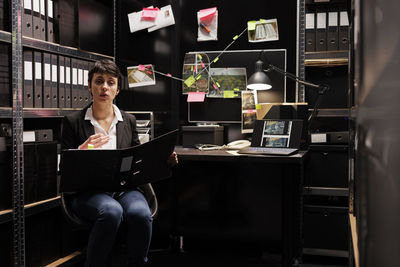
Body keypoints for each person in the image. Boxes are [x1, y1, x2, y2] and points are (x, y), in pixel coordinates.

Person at [61, 59, 178, 267]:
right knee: (111, 211)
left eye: (110, 82)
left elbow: (137, 158)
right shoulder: (73, 122)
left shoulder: (128, 120)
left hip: (125, 188)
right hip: (89, 192)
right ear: (90, 86)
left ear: (117, 89)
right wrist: (82, 149)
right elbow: (66, 169)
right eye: (99, 81)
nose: (104, 87)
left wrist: (163, 160)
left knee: (141, 213)